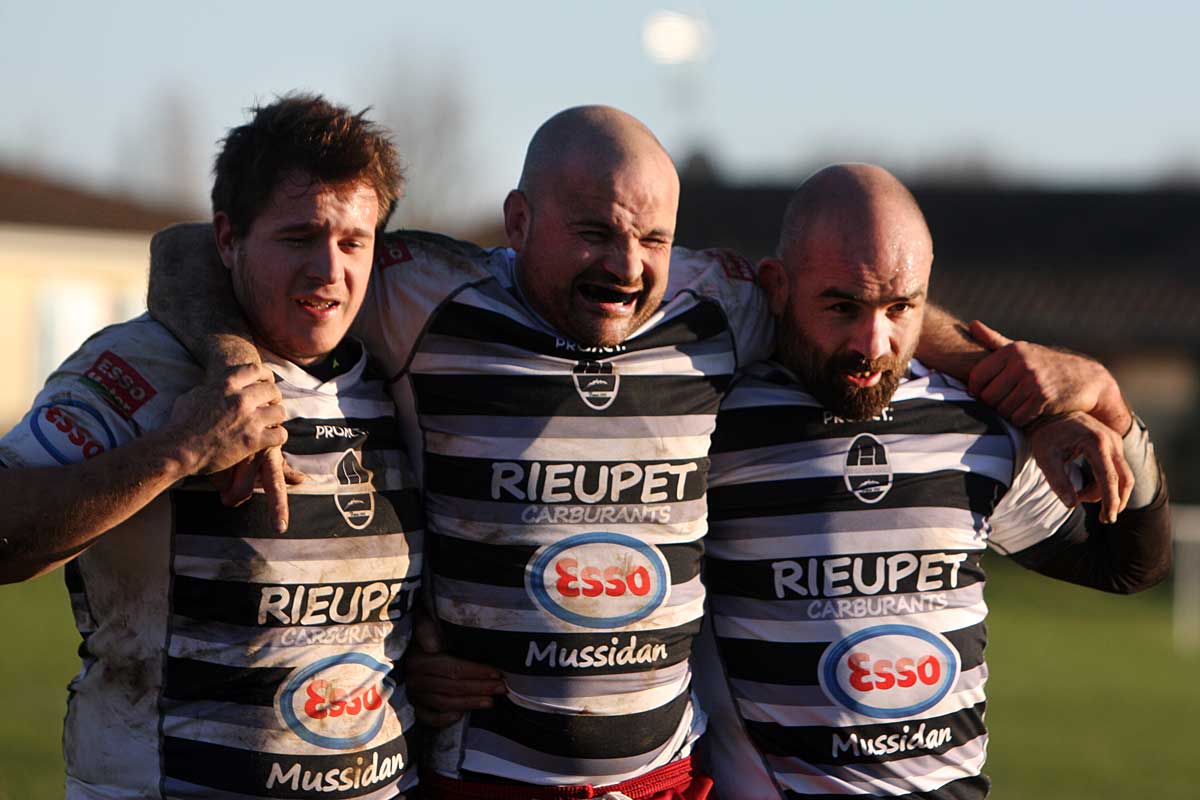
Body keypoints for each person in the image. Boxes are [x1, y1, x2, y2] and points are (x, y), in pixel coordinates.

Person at [146, 106, 1131, 799]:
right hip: (485, 772)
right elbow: (195, 250)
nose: (626, 266)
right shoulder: (425, 296)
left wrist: (1037, 384)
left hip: (670, 779)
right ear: (518, 223)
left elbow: (862, 304)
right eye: (594, 233)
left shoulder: (714, 304)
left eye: (651, 236)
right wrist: (234, 357)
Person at [694, 163, 1171, 798]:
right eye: (842, 306)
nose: (873, 342)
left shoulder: (971, 424)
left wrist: (1110, 405)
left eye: (901, 308)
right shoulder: (704, 420)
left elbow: (1125, 564)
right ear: (777, 286)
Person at [0, 94, 423, 799]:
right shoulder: (139, 369)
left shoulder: (396, 367)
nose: (329, 269)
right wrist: (179, 450)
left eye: (353, 242)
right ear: (228, 239)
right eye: (297, 237)